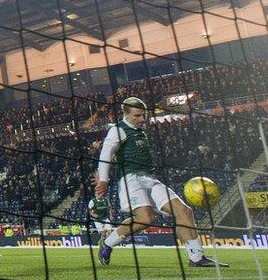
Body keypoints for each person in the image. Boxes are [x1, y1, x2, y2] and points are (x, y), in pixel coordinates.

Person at [95, 97, 228, 268]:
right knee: (145, 218)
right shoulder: (118, 130)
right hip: (130, 180)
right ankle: (108, 242)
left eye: (143, 115)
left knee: (184, 211)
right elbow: (105, 154)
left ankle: (197, 257)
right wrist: (104, 180)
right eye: (137, 116)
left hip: (150, 178)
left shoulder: (140, 131)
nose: (142, 119)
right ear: (126, 115)